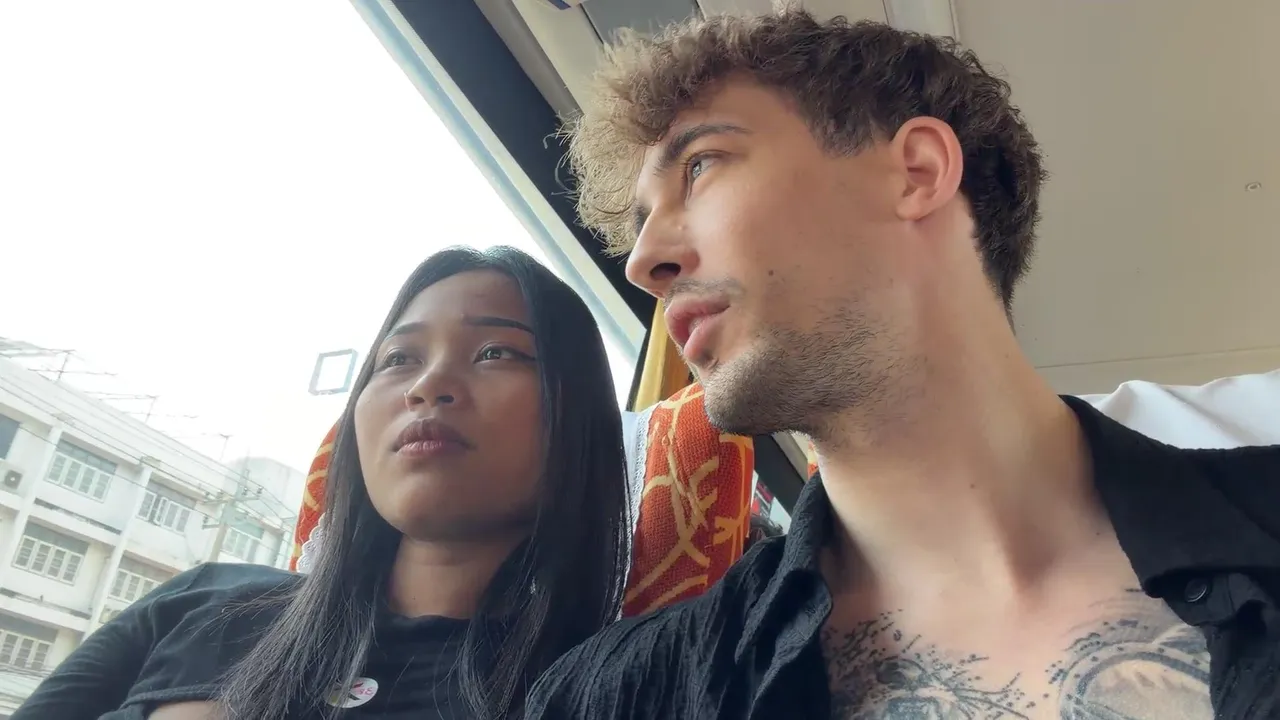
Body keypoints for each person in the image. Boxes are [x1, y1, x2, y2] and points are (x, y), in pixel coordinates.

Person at [524, 10, 1280, 720]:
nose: (643, 262)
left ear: (916, 172)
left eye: (698, 166)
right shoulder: (612, 697)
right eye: (639, 225)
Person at [15, 246, 632, 720]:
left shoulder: (608, 685)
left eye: (496, 352)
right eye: (399, 359)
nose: (427, 386)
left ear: (577, 417)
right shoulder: (199, 604)